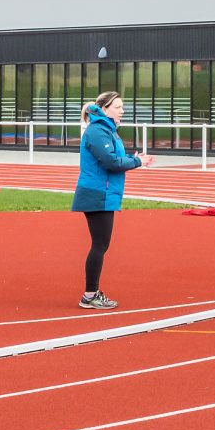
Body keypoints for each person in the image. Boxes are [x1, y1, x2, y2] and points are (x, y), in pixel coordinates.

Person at [72, 90, 145, 310]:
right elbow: (111, 162)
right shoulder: (97, 131)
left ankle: (91, 293)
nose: (122, 111)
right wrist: (136, 161)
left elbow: (114, 159)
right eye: (118, 107)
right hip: (97, 194)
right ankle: (90, 295)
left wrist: (133, 160)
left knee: (101, 244)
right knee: (100, 244)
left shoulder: (107, 131)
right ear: (105, 109)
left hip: (103, 193)